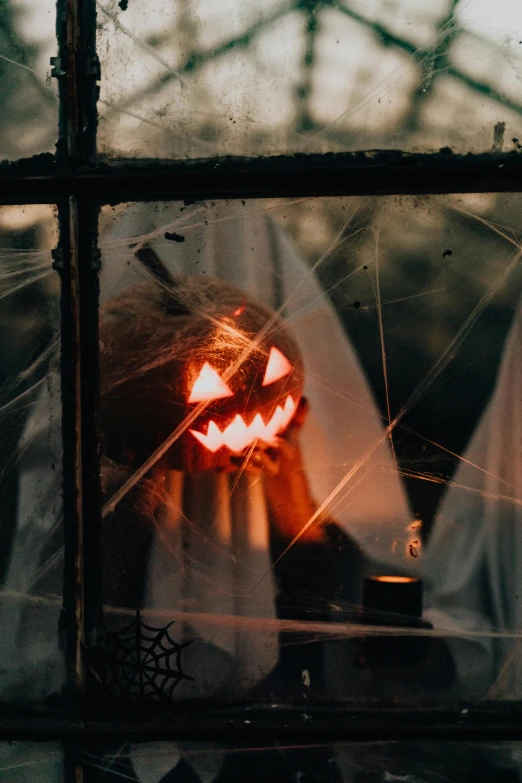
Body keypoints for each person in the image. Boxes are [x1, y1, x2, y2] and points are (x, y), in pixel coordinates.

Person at [0, 201, 417, 782]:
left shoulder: (294, 448)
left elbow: (323, 589)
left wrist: (286, 473)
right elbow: (60, 579)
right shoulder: (74, 429)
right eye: (211, 381)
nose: (239, 399)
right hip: (109, 715)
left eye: (265, 371)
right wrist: (135, 463)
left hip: (266, 723)